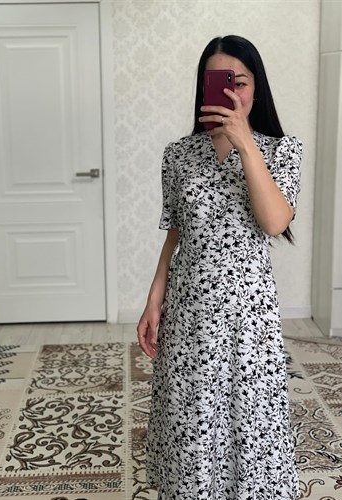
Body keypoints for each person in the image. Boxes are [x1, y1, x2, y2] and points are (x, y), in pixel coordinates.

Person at [137, 34, 302, 500]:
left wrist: (245, 145)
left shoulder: (282, 151)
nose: (231, 92)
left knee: (249, 415)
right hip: (189, 306)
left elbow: (275, 222)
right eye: (219, 82)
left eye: (240, 82)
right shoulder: (179, 154)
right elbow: (176, 232)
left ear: (256, 86)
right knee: (191, 415)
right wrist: (154, 299)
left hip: (249, 312)